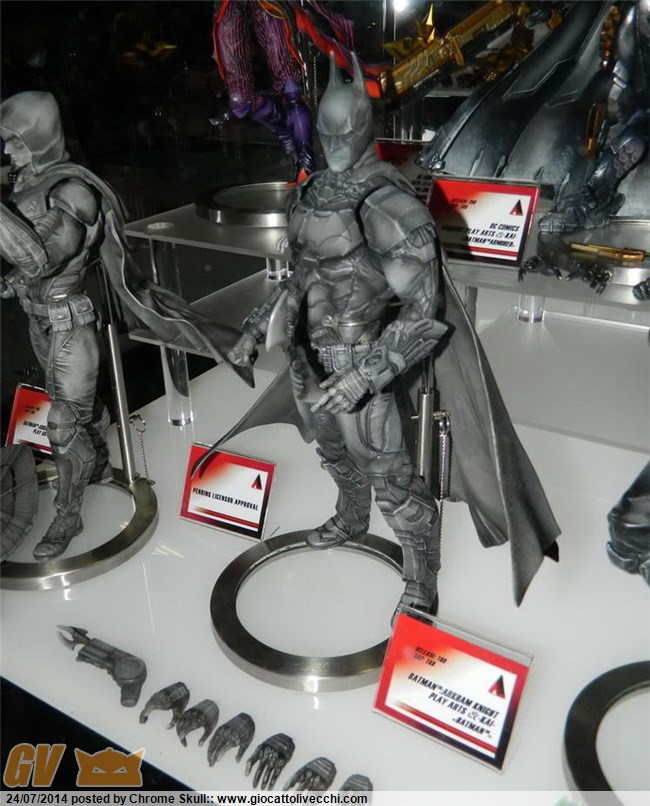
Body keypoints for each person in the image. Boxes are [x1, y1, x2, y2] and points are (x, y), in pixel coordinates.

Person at [227, 53, 561, 617]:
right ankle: (350, 518)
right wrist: (258, 327)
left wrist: (366, 374)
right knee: (333, 453)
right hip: (308, 357)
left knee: (392, 479)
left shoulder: (391, 206)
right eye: (326, 132)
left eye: (345, 132)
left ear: (366, 129)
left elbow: (425, 312)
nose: (334, 143)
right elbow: (301, 276)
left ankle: (421, 578)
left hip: (361, 358)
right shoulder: (310, 194)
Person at [0, 90, 251, 561]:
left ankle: (68, 515)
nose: (8, 151)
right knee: (77, 410)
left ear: (37, 138)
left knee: (62, 423)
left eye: (14, 141)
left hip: (70, 324)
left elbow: (42, 258)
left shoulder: (74, 191)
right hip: (40, 322)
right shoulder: (30, 183)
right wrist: (13, 283)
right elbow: (29, 267)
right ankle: (94, 465)